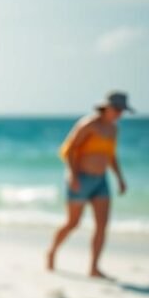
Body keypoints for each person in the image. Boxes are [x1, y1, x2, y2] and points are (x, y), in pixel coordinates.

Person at [46, 91, 131, 278]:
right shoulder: (89, 125)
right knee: (73, 223)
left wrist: (119, 178)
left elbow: (111, 156)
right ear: (106, 107)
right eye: (116, 109)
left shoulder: (113, 129)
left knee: (102, 225)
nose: (119, 114)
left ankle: (94, 267)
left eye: (122, 110)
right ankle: (52, 251)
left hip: (101, 181)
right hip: (80, 178)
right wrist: (72, 175)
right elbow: (69, 150)